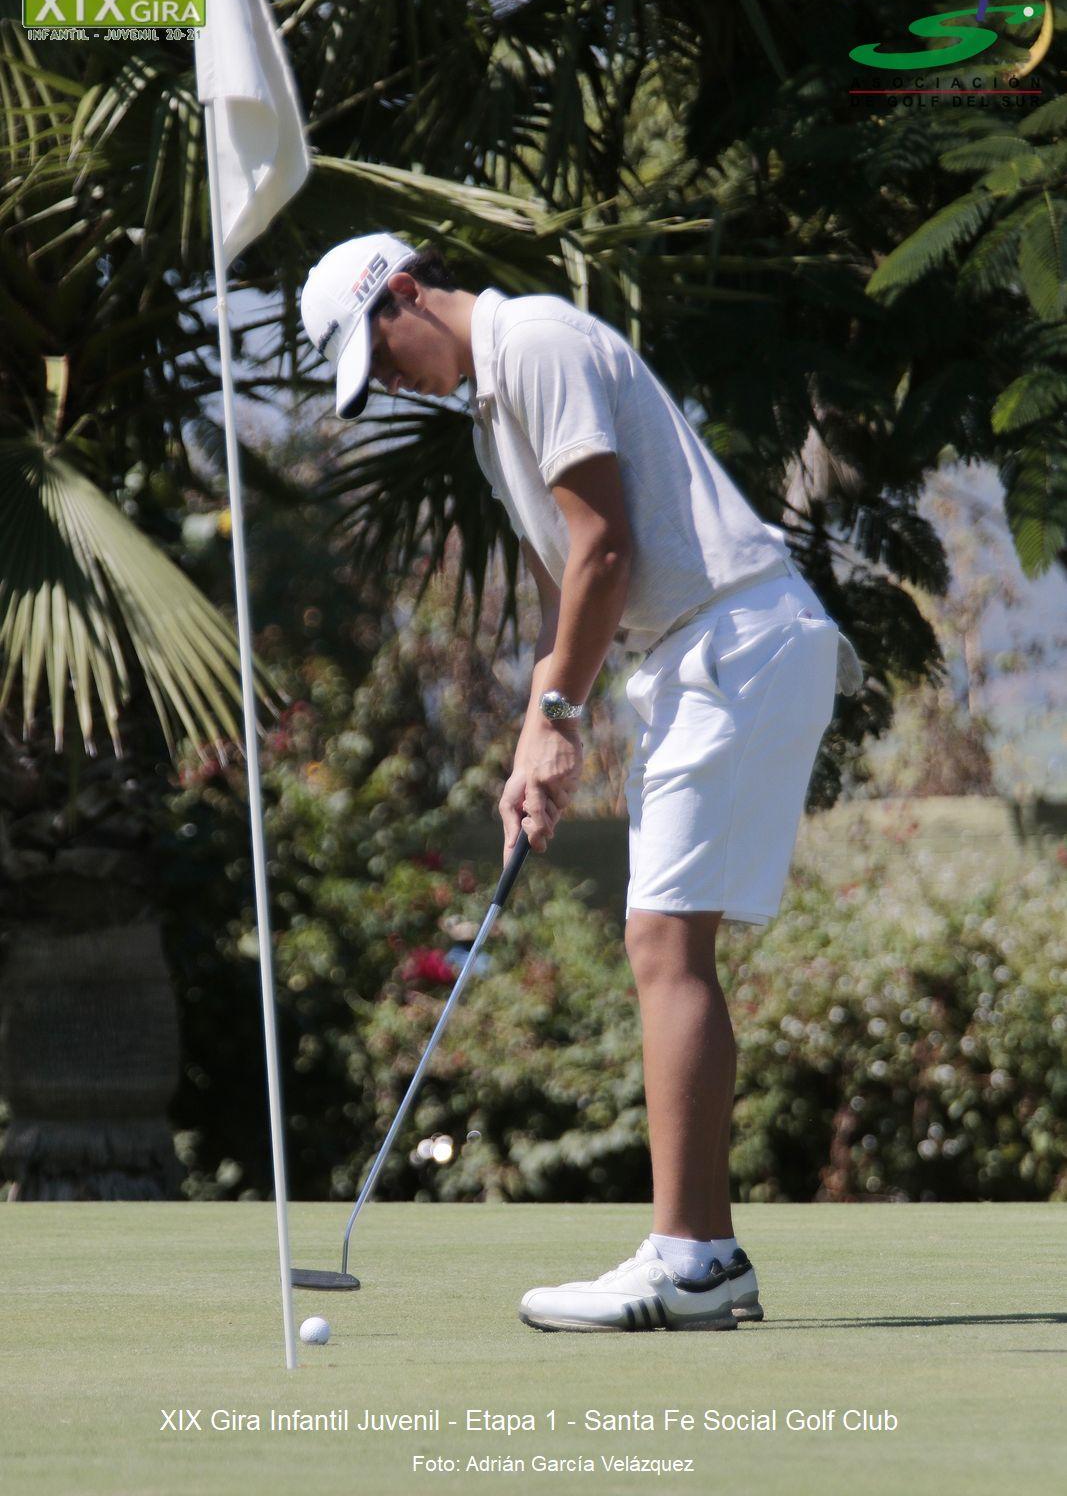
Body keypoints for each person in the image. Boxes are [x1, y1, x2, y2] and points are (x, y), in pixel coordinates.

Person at [300, 233, 860, 1334]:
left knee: (662, 943)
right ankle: (707, 1253)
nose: (397, 386)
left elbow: (604, 547)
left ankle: (688, 1263)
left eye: (385, 358)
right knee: (664, 943)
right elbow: (578, 585)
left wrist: (555, 720)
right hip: (694, 653)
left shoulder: (536, 341)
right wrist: (541, 733)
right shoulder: (491, 410)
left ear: (404, 293)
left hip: (732, 638)